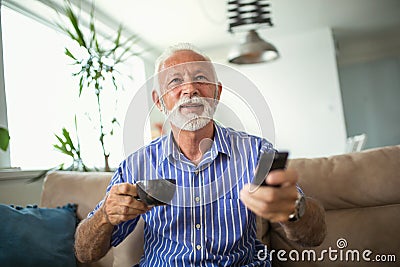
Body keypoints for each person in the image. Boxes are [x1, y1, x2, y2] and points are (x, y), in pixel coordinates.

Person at [74, 43, 326, 266]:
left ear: (217, 93)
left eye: (200, 78)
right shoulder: (136, 165)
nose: (190, 89)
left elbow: (315, 235)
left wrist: (292, 209)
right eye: (175, 81)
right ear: (159, 102)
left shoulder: (256, 153)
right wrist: (104, 216)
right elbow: (85, 253)